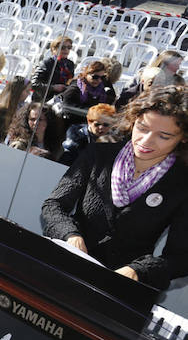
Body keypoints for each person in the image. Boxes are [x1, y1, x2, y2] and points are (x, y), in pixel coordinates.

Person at [42, 86, 188, 290]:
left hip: (117, 288)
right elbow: (54, 205)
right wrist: (70, 235)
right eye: (142, 128)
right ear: (133, 121)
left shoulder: (181, 184)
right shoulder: (98, 155)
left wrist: (139, 270)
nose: (146, 141)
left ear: (183, 137)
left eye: (164, 136)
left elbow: (180, 257)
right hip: (62, 267)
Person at [59, 60, 117, 127]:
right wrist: (92, 113)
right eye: (95, 77)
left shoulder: (102, 87)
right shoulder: (76, 88)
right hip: (74, 124)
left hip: (95, 125)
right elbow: (67, 107)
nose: (99, 80)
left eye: (102, 77)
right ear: (86, 74)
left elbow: (111, 99)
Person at [31, 36, 75, 100]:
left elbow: (70, 81)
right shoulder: (46, 63)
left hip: (61, 97)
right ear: (54, 49)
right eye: (62, 47)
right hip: (44, 98)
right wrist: (53, 87)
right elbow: (34, 84)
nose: (66, 50)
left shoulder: (70, 64)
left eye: (69, 47)